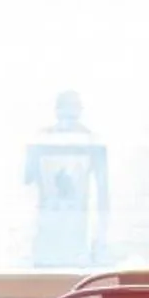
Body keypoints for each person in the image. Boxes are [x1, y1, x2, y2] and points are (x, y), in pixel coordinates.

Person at [23, 90, 109, 268]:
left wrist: (101, 237)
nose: (68, 115)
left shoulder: (92, 141)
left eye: (72, 108)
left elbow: (103, 192)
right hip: (48, 223)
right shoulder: (42, 139)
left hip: (75, 226)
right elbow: (27, 177)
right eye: (65, 108)